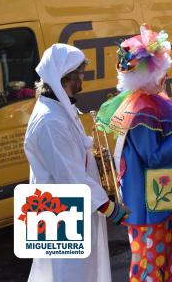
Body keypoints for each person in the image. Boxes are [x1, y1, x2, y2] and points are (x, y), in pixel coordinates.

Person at [96, 25, 172, 281]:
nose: (165, 78)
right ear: (148, 75)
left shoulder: (148, 103)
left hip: (157, 198)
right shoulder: (142, 109)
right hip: (147, 204)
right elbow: (152, 156)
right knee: (150, 264)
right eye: (161, 73)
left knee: (161, 260)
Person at [24, 43, 129, 282]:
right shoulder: (50, 120)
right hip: (59, 212)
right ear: (66, 78)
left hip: (69, 209)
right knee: (68, 275)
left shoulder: (58, 110)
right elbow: (70, 176)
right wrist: (110, 208)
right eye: (80, 74)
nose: (83, 80)